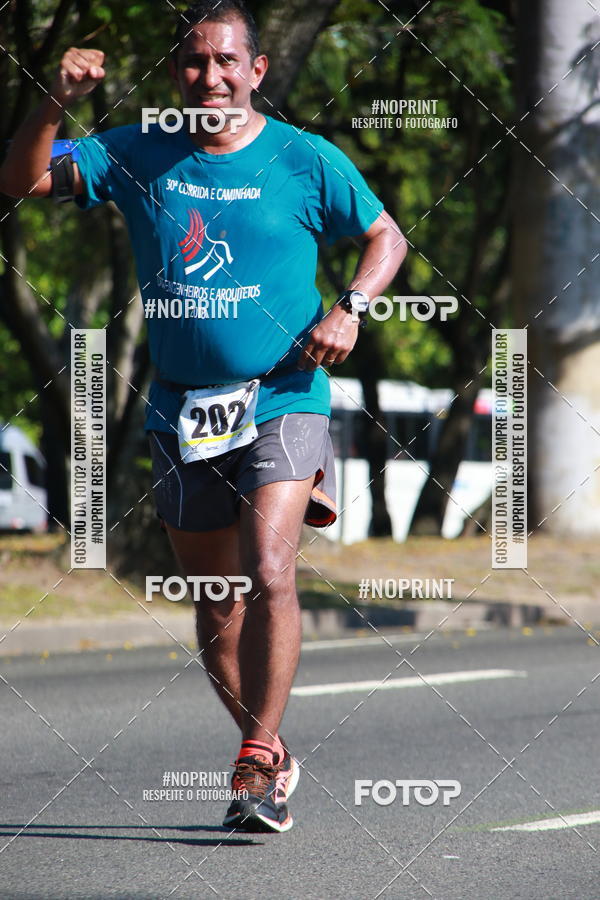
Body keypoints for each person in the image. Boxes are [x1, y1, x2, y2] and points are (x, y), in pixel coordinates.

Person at [0, 0, 406, 833]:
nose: (211, 77)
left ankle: (254, 763)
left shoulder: (305, 159)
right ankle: (271, 748)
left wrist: (352, 307)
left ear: (256, 71)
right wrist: (53, 101)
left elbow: (386, 235)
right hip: (185, 414)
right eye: (194, 62)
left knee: (269, 568)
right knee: (217, 601)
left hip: (284, 395)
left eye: (227, 61)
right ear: (177, 71)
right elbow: (22, 181)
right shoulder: (137, 149)